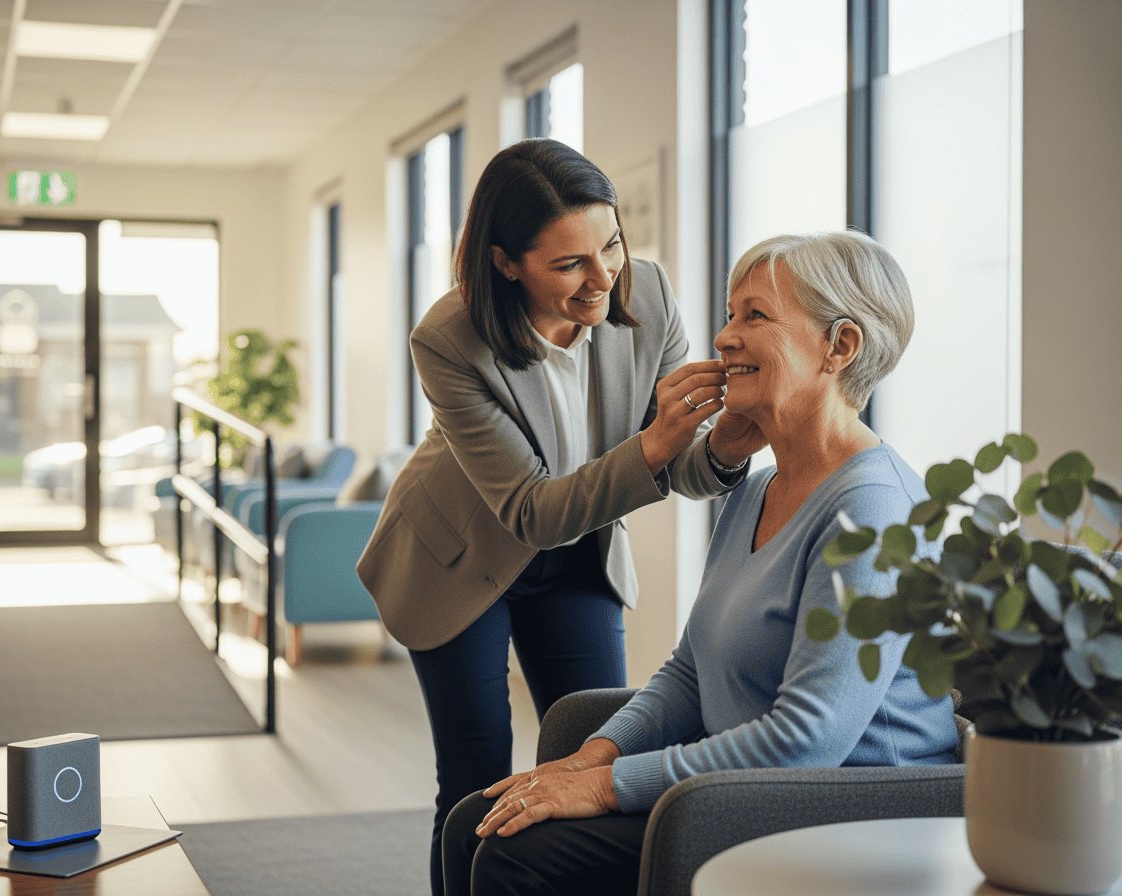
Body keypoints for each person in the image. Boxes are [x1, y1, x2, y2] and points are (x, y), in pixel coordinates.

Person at [440, 230, 961, 896]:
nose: (723, 337)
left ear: (841, 346)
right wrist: (592, 756)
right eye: (730, 313)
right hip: (742, 794)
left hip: (846, 810)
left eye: (755, 315)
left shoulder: (870, 511)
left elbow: (808, 741)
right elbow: (691, 671)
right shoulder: (756, 487)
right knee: (474, 825)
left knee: (517, 854)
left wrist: (608, 786)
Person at [355, 139, 760, 896]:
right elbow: (531, 509)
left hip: (581, 556)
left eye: (610, 244)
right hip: (462, 559)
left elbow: (681, 468)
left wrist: (731, 444)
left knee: (589, 753)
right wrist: (658, 441)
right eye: (569, 263)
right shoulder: (449, 337)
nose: (603, 278)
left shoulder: (651, 296)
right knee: (478, 782)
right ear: (506, 263)